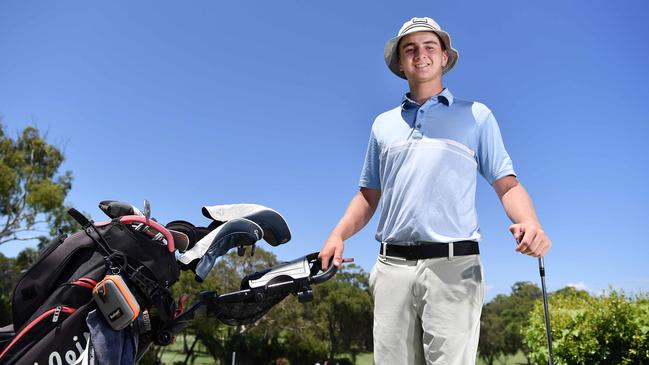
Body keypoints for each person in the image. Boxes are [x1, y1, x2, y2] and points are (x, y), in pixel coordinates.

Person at [318, 17, 552, 364]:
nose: (420, 55)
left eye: (430, 47)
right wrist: (337, 235)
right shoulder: (382, 125)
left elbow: (507, 185)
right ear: (400, 62)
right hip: (391, 268)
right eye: (410, 49)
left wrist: (531, 222)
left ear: (445, 57)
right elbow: (368, 195)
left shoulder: (477, 116)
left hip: (454, 267)